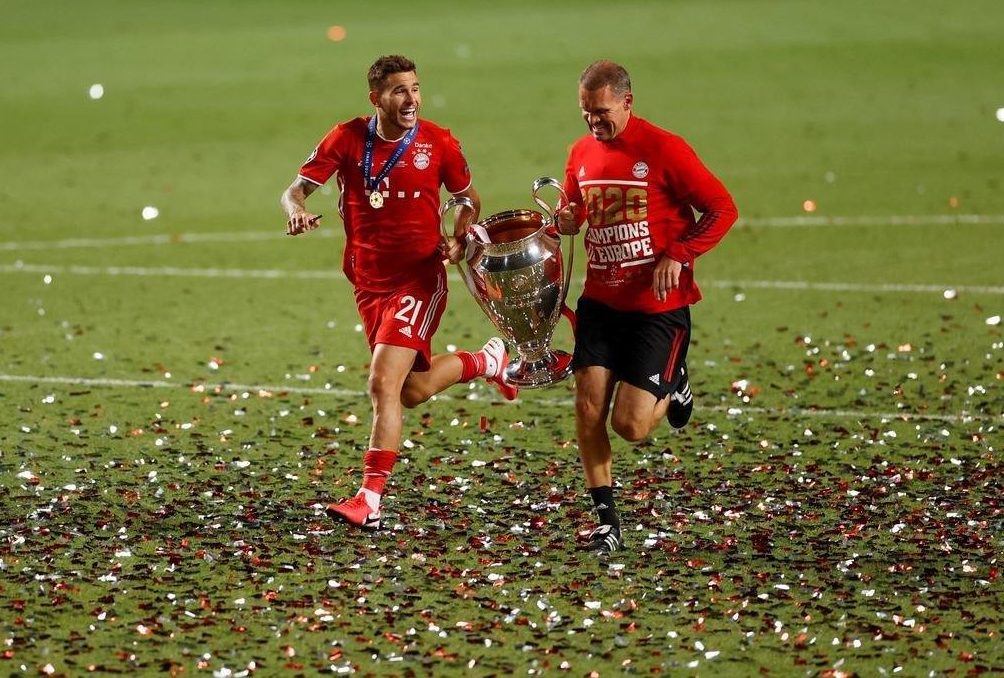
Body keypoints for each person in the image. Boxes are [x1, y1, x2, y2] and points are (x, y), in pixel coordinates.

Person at [281, 54, 517, 531]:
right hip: (367, 282)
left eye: (414, 88)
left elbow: (469, 198)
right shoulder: (346, 138)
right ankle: (486, 362)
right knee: (410, 391)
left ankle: (369, 499)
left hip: (418, 278)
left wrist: (459, 233)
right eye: (398, 91)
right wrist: (295, 210)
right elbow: (295, 189)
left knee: (381, 384)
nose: (410, 99)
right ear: (376, 99)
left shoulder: (438, 142)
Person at [554, 60, 739, 553]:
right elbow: (573, 211)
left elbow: (723, 209)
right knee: (588, 407)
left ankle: (675, 381)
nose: (594, 122)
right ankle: (607, 522)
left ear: (628, 103)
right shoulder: (580, 153)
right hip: (600, 302)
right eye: (586, 113)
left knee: (630, 425)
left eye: (602, 112)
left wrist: (680, 254)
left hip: (657, 308)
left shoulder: (664, 148)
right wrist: (567, 218)